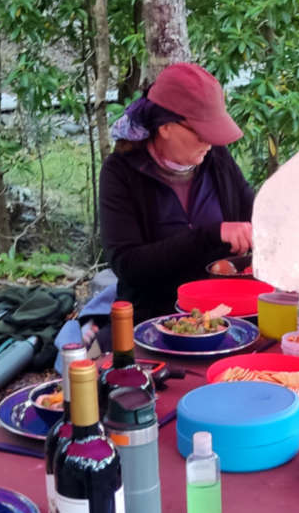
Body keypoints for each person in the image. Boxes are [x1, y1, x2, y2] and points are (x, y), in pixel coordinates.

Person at [98, 62, 254, 324]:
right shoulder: (120, 172)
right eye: (201, 134)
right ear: (165, 127)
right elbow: (128, 265)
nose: (209, 143)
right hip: (154, 320)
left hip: (223, 313)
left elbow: (252, 213)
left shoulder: (217, 157)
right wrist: (211, 235)